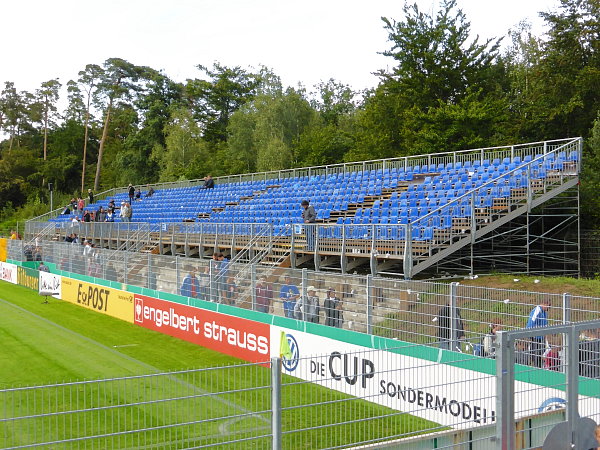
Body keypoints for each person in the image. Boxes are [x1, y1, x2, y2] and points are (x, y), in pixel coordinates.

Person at [526, 299, 551, 368]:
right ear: (543, 303)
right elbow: (530, 323)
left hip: (541, 337)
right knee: (535, 354)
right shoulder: (536, 311)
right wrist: (530, 335)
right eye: (548, 306)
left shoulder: (544, 312)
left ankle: (539, 366)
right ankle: (535, 366)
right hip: (535, 337)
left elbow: (545, 324)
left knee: (541, 353)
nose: (548, 308)